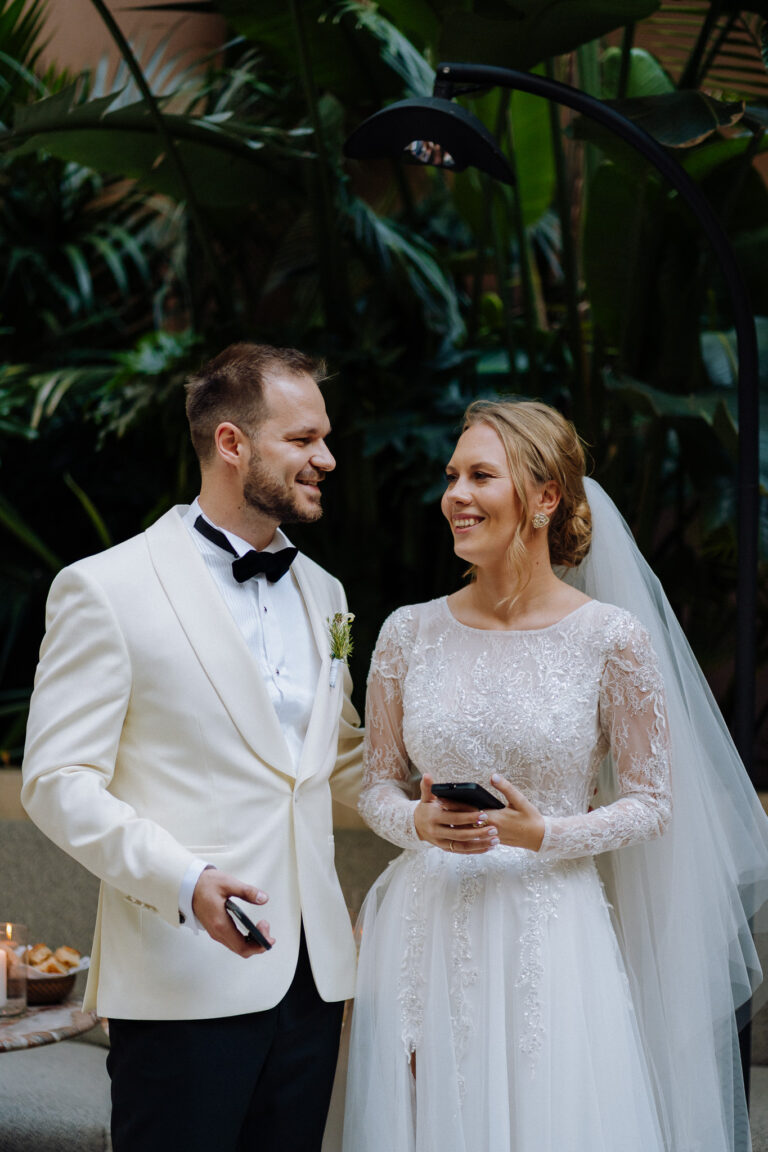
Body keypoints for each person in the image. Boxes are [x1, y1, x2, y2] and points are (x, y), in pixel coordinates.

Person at [341, 398, 768, 1152]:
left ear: (544, 497)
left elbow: (652, 803)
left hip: (551, 928)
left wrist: (547, 832)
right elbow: (377, 782)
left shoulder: (610, 639)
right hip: (426, 927)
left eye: (481, 476)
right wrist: (414, 820)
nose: (456, 496)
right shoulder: (408, 633)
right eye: (452, 476)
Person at [21, 342, 364, 1152]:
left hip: (312, 983)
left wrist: (435, 804)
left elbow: (333, 759)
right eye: (304, 439)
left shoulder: (326, 593)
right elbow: (57, 781)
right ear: (232, 444)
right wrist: (186, 880)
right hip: (180, 979)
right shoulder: (105, 588)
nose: (328, 457)